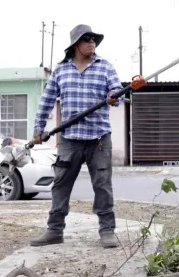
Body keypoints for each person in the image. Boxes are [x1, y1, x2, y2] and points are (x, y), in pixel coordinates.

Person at [30, 24, 122, 248]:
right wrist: (38, 130)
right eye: (87, 39)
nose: (92, 42)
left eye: (94, 39)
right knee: (60, 184)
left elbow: (117, 91)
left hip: (98, 138)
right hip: (70, 138)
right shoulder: (61, 71)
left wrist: (113, 96)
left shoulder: (105, 67)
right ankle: (54, 231)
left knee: (102, 184)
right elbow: (46, 101)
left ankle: (107, 230)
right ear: (76, 45)